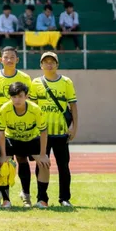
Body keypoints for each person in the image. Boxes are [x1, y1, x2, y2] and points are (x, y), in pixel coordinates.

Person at [0, 47, 33, 204]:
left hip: (19, 127)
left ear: (17, 60)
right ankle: (1, 195)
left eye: (13, 57)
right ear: (1, 60)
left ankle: (25, 193)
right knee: (2, 160)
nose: (9, 60)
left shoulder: (25, 77)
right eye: (6, 57)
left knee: (22, 159)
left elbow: (29, 102)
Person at [29, 52, 78, 207]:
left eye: (52, 62)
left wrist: (74, 128)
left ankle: (64, 198)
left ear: (57, 64)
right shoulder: (35, 82)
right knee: (41, 165)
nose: (49, 64)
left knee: (63, 166)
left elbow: (73, 106)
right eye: (46, 62)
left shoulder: (66, 82)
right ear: (41, 65)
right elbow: (32, 108)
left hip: (61, 133)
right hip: (41, 133)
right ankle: (42, 198)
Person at [0, 82, 50, 208]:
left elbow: (43, 132)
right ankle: (6, 200)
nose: (17, 100)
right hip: (12, 139)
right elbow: (1, 132)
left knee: (44, 164)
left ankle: (42, 199)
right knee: (4, 164)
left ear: (26, 96)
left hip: (31, 139)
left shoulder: (35, 109)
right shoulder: (5, 109)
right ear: (10, 97)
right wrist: (4, 156)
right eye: (14, 97)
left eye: (20, 96)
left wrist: (43, 155)